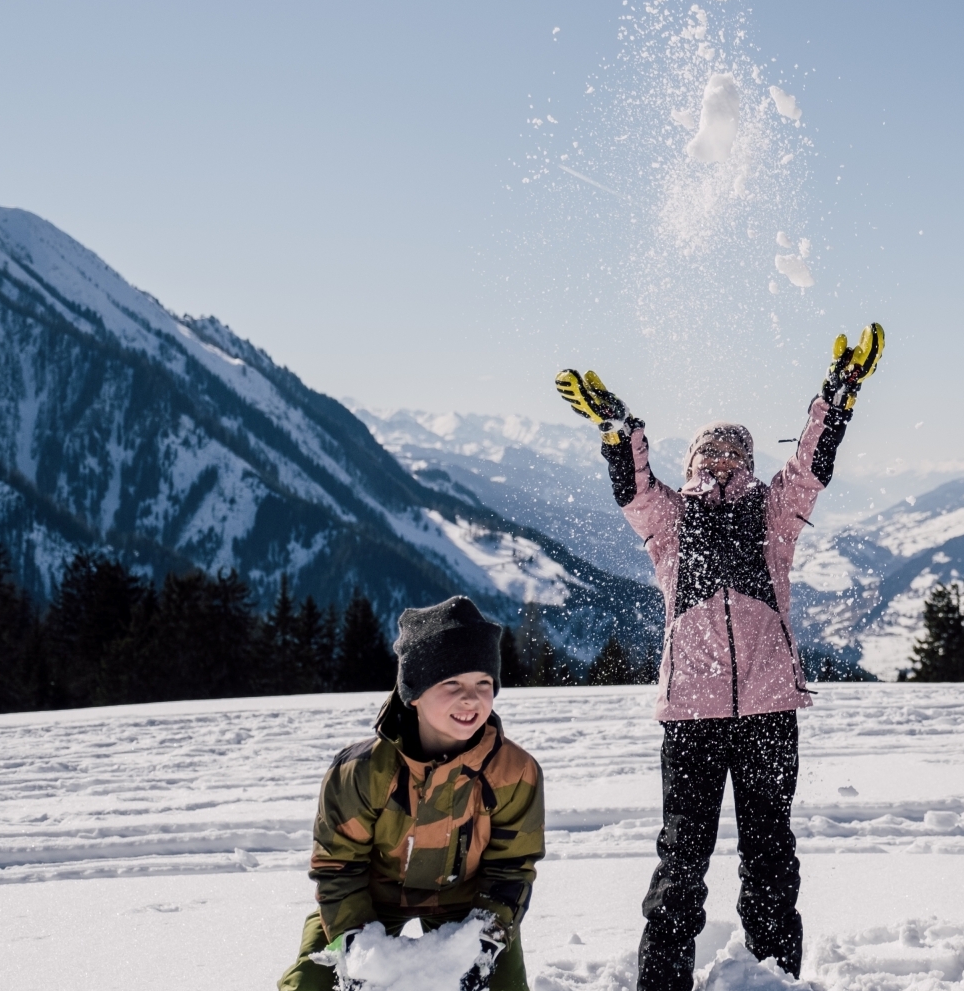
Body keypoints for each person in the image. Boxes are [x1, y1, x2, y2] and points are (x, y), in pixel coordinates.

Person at [554, 324, 883, 991]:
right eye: (711, 450)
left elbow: (811, 468)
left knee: (770, 856)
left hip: (769, 711)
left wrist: (838, 394)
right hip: (692, 717)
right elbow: (634, 489)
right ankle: (663, 982)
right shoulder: (671, 522)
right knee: (681, 858)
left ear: (751, 462)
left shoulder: (773, 515)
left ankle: (773, 978)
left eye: (735, 450)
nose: (723, 459)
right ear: (692, 462)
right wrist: (619, 429)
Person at [279, 596, 545, 991]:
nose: (470, 697)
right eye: (451, 682)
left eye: (483, 683)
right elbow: (337, 868)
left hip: (467, 902)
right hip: (371, 899)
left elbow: (511, 869)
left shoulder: (514, 773)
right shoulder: (362, 772)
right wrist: (354, 943)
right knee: (309, 986)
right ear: (414, 693)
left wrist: (486, 941)